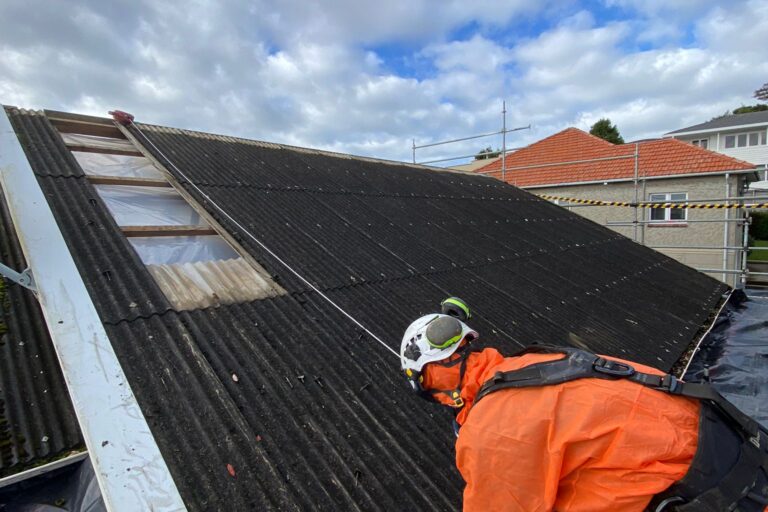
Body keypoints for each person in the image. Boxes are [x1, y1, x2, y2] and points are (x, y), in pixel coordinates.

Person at [400, 298, 768, 512]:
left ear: (433, 388)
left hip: (720, 498)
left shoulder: (490, 432)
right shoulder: (540, 362)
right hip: (743, 456)